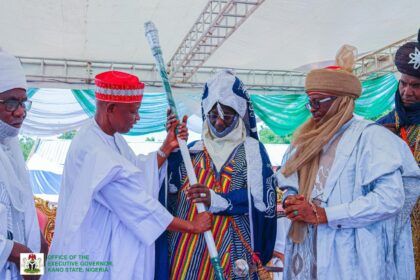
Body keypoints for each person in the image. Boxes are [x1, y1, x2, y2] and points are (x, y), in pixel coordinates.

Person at [47, 71, 212, 280]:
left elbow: (135, 174)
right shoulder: (95, 151)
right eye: (133, 112)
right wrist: (191, 226)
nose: (138, 118)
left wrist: (166, 147)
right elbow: (138, 205)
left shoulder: (106, 136)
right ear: (112, 109)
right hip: (93, 251)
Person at [277, 45, 420, 279]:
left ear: (341, 101)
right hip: (309, 249)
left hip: (352, 254)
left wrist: (326, 214)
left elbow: (390, 198)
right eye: (309, 102)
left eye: (318, 102)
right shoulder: (305, 139)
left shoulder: (372, 137)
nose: (312, 110)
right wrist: (292, 197)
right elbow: (289, 176)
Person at [157, 70, 277, 279]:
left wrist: (217, 199)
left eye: (226, 116)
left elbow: (262, 200)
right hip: (188, 249)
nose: (219, 123)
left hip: (233, 249)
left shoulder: (252, 151)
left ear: (239, 115)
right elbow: (170, 191)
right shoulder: (191, 149)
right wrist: (175, 151)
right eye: (213, 116)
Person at [0, 49, 48, 279]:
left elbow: (23, 214)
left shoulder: (11, 148)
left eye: (23, 102)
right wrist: (19, 254)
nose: (21, 112)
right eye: (11, 102)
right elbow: (17, 250)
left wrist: (39, 245)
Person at [377, 28, 420, 275]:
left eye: (416, 86)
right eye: (403, 83)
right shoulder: (384, 124)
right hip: (393, 221)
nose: (407, 92)